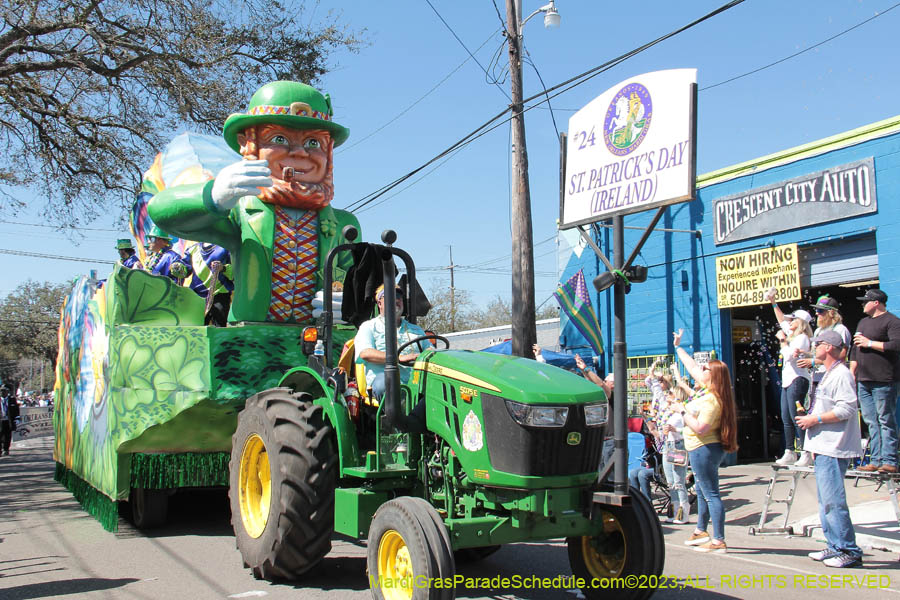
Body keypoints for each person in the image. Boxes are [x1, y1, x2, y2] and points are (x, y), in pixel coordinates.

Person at [148, 81, 360, 324]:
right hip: (249, 337)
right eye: (279, 138)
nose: (300, 153)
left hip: (320, 342)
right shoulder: (240, 210)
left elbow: (365, 284)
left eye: (314, 143)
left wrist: (351, 305)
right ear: (247, 143)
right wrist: (214, 195)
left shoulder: (345, 224)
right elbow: (161, 211)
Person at [796, 329, 864, 568]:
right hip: (823, 445)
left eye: (819, 344)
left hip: (834, 447)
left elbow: (847, 409)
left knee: (833, 501)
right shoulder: (827, 373)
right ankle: (834, 546)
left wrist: (816, 420)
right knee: (825, 501)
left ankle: (849, 550)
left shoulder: (841, 374)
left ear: (830, 348)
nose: (815, 348)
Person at [670, 328, 738, 554]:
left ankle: (718, 540)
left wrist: (681, 412)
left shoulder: (712, 401)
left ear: (714, 376)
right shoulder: (706, 391)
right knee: (701, 491)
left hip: (704, 449)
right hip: (700, 448)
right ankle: (701, 530)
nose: (702, 369)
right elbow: (690, 366)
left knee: (711, 495)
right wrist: (678, 346)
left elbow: (701, 427)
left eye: (706, 368)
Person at [849, 288, 900, 474]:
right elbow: (855, 348)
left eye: (866, 301)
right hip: (864, 379)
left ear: (876, 303)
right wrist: (852, 371)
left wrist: (870, 343)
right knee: (871, 421)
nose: (863, 304)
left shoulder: (892, 322)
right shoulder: (863, 322)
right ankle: (875, 460)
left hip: (884, 379)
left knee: (886, 420)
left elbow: (896, 345)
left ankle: (890, 461)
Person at [355, 284, 432, 399]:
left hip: (415, 380)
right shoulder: (369, 327)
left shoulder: (416, 330)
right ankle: (398, 414)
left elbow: (430, 351)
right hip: (384, 379)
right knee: (387, 383)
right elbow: (365, 353)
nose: (395, 299)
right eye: (390, 296)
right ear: (379, 303)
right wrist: (397, 358)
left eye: (398, 296)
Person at [765, 289, 814, 467]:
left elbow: (788, 357)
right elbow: (780, 319)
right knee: (786, 417)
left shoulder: (801, 338)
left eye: (792, 320)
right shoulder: (793, 335)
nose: (789, 322)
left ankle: (806, 451)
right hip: (787, 380)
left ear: (800, 322)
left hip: (797, 380)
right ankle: (789, 451)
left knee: (796, 416)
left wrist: (782, 341)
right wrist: (773, 302)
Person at [796, 295, 852, 406]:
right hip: (817, 378)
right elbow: (816, 353)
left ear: (831, 313)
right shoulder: (818, 331)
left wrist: (813, 362)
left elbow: (841, 356)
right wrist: (804, 353)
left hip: (833, 377)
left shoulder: (840, 329)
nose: (816, 313)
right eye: (816, 310)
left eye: (820, 310)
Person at [183, 242, 235, 326]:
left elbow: (237, 272)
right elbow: (185, 269)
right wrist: (179, 268)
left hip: (219, 295)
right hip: (197, 296)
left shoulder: (226, 248)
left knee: (219, 328)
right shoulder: (193, 249)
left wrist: (223, 268)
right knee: (195, 327)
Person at [0, 387, 19, 456]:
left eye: (4, 391)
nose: (2, 393)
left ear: (7, 392)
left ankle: (6, 449)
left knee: (7, 436)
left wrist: (17, 419)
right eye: (1, 391)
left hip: (8, 421)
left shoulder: (12, 400)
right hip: (0, 421)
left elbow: (16, 410)